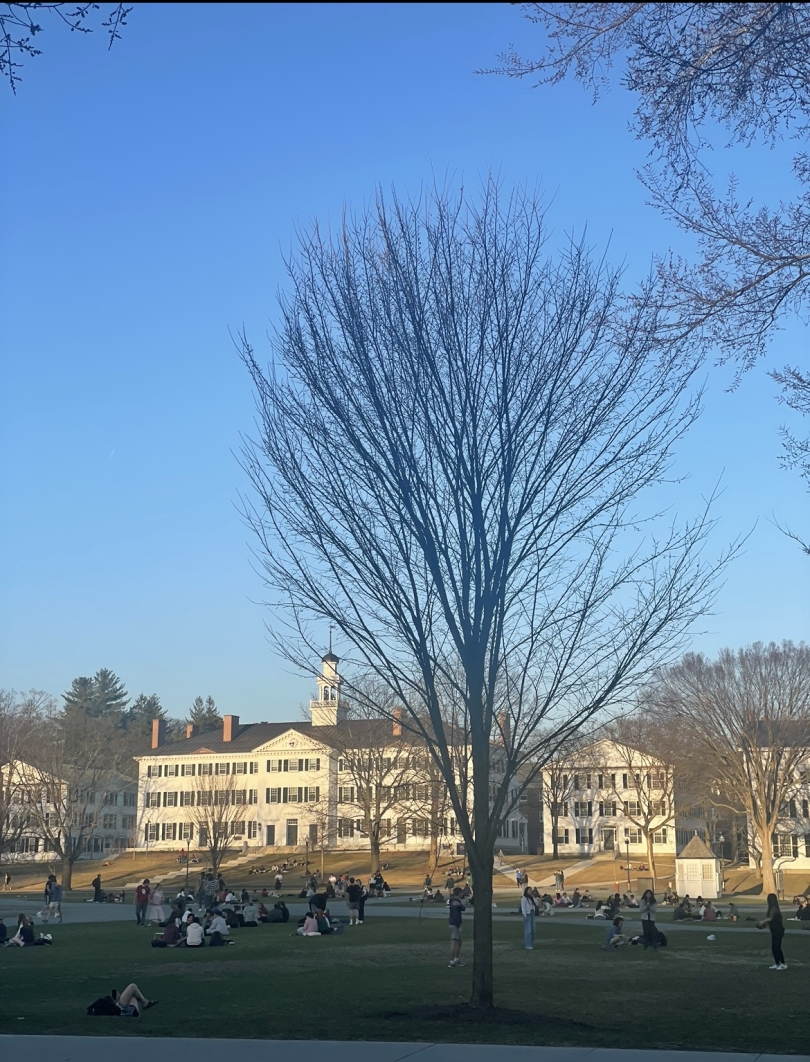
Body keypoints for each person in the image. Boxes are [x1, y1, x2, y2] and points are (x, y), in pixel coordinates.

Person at [757, 893, 787, 969]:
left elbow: (770, 918)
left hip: (778, 930)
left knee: (777, 947)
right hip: (774, 930)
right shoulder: (771, 908)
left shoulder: (774, 908)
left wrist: (762, 922)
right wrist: (764, 925)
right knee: (774, 947)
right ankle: (777, 963)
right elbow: (771, 921)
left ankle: (783, 963)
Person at [447, 886, 466, 968]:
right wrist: (457, 924)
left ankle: (456, 959)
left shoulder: (456, 901)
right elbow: (455, 914)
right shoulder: (454, 901)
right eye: (461, 893)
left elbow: (463, 908)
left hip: (456, 924)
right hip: (455, 924)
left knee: (459, 942)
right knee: (454, 942)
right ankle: (451, 962)